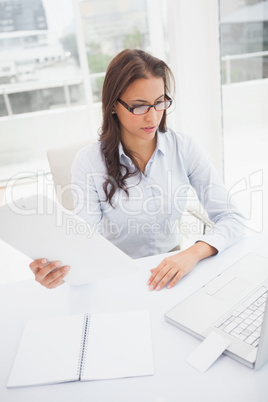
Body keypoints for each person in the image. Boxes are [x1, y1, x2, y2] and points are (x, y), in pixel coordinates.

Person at [29, 49, 244, 290]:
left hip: (172, 267)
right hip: (114, 274)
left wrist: (191, 253)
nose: (152, 117)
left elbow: (232, 218)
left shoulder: (184, 148)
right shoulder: (88, 162)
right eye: (139, 107)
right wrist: (59, 270)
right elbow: (86, 240)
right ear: (113, 106)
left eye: (160, 102)